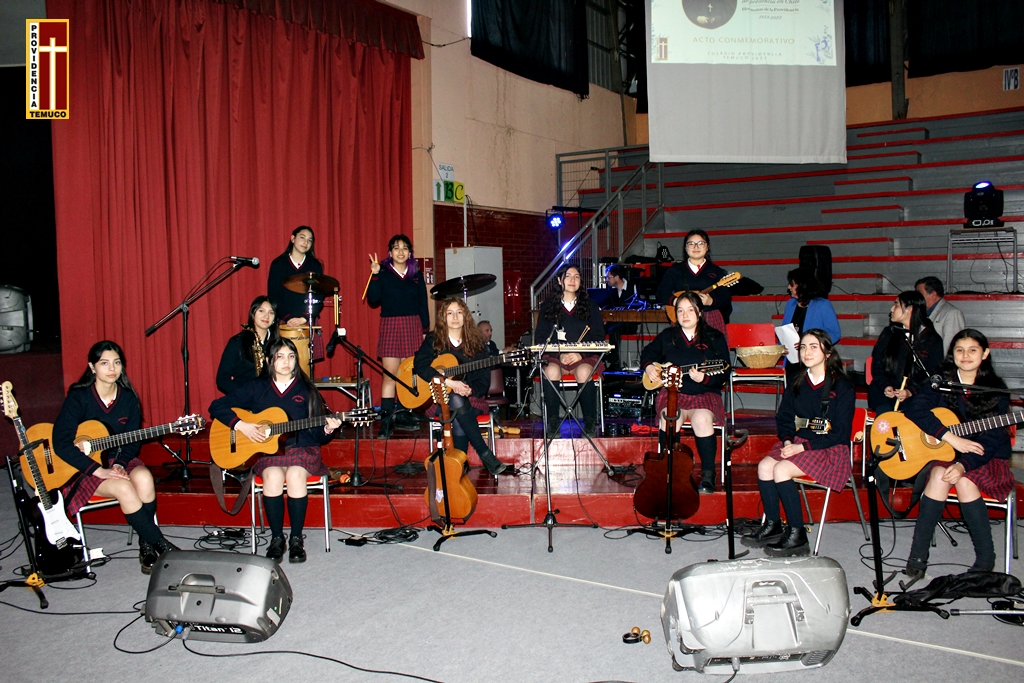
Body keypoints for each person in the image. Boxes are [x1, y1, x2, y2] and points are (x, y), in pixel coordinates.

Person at [209, 338, 341, 563]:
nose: (286, 362)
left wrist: (328, 428)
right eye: (280, 357)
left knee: (295, 474)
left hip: (302, 449)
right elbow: (216, 406)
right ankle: (277, 538)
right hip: (268, 452)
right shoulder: (257, 387)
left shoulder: (307, 390)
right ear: (270, 361)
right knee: (272, 476)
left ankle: (296, 539)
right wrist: (241, 425)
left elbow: (318, 436)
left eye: (291, 357)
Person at [54, 341, 176, 574]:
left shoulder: (128, 398)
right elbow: (61, 444)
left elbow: (132, 441)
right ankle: (163, 546)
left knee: (144, 478)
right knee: (124, 488)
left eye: (117, 363)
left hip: (118, 460)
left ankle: (146, 545)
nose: (112, 369)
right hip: (83, 468)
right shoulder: (78, 398)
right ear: (92, 367)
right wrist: (98, 470)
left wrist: (120, 464)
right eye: (104, 363)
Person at [903, 329, 1014, 580]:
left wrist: (964, 464)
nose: (965, 355)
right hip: (949, 450)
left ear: (985, 354)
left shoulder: (996, 389)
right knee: (939, 475)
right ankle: (917, 555)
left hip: (986, 457)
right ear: (952, 354)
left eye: (973, 350)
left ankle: (985, 559)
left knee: (963, 481)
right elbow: (914, 408)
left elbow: (992, 440)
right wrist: (949, 436)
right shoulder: (942, 382)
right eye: (959, 350)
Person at [742, 329, 855, 557]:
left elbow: (841, 433)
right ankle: (773, 525)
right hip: (798, 442)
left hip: (829, 448)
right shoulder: (797, 380)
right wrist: (787, 441)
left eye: (813, 347)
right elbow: (784, 417)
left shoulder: (842, 386)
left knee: (781, 469)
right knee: (765, 466)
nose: (807, 352)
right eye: (803, 347)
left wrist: (802, 447)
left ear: (828, 352)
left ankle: (798, 535)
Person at [640, 292, 729, 493]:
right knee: (669, 420)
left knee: (702, 420)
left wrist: (705, 378)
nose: (685, 315)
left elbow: (725, 371)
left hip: (704, 394)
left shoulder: (714, 337)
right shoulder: (668, 335)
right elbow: (647, 353)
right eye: (680, 311)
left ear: (700, 312)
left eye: (690, 310)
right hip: (673, 393)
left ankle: (708, 474)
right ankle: (669, 471)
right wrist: (649, 367)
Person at [414, 299, 508, 475]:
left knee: (457, 402)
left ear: (465, 316)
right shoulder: (433, 340)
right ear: (443, 317)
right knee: (455, 400)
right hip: (436, 399)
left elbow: (483, 380)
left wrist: (471, 389)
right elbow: (420, 365)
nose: (455, 317)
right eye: (450, 313)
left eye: (459, 312)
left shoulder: (477, 344)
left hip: (471, 400)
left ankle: (460, 465)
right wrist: (447, 382)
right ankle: (483, 453)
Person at [366, 234, 430, 438]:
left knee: (407, 374)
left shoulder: (416, 275)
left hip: (412, 325)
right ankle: (386, 421)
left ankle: (403, 415)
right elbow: (373, 299)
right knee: (390, 375)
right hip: (391, 325)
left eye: (404, 248)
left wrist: (424, 331)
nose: (400, 251)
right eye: (396, 248)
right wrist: (375, 274)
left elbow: (423, 303)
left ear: (410, 252)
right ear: (390, 252)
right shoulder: (383, 273)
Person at [534, 264, 607, 438]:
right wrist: (559, 355)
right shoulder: (547, 307)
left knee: (584, 372)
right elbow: (540, 338)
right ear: (560, 280)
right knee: (550, 371)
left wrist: (580, 354)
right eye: (568, 276)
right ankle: (553, 423)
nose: (573, 280)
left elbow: (599, 336)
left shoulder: (591, 306)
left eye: (577, 277)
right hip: (555, 358)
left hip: (583, 358)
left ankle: (590, 423)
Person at [867, 291, 944, 413]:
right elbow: (877, 366)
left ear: (909, 309)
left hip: (917, 392)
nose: (892, 309)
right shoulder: (889, 333)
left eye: (896, 305)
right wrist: (886, 386)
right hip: (887, 391)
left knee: (916, 407)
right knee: (883, 408)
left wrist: (910, 391)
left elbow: (933, 373)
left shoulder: (932, 340)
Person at [267, 226, 326, 367]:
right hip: (284, 320)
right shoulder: (279, 264)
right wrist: (287, 318)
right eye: (302, 237)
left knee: (306, 366)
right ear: (293, 239)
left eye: (310, 240)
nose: (306, 242)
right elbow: (273, 295)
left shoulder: (315, 265)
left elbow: (319, 295)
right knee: (284, 363)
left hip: (307, 318)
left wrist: (305, 317)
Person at [656, 230, 732, 338]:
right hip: (683, 317)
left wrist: (711, 301)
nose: (696, 247)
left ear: (707, 247)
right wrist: (677, 301)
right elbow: (661, 292)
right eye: (691, 244)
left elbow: (726, 299)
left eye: (701, 243)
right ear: (686, 248)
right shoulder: (675, 269)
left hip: (709, 317)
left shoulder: (716, 271)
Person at [781, 267, 841, 385]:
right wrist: (781, 347)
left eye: (792, 284)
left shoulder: (822, 305)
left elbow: (835, 333)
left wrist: (810, 343)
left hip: (813, 360)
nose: (789, 287)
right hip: (792, 360)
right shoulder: (790, 304)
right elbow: (784, 330)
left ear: (802, 285)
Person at [216, 295, 280, 394]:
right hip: (245, 397)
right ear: (253, 314)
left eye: (271, 312)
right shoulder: (237, 342)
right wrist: (245, 393)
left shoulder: (280, 344)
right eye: (261, 311)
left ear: (275, 319)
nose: (266, 316)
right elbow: (222, 379)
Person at [915, 276, 966, 353]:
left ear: (933, 294)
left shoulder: (952, 313)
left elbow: (950, 346)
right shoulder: (921, 313)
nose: (917, 297)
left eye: (920, 293)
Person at [603, 264, 638, 371]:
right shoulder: (609, 291)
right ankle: (600, 357)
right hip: (613, 322)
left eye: (609, 277)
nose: (607, 280)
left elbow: (639, 304)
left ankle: (614, 362)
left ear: (617, 277)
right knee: (599, 328)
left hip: (630, 323)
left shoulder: (633, 287)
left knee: (613, 330)